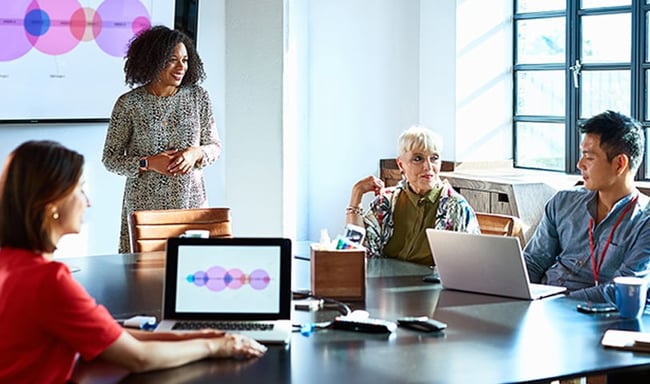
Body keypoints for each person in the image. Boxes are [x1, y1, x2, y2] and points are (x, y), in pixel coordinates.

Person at [0, 141, 266, 383]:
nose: (88, 202)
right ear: (51, 206)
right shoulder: (49, 281)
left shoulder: (9, 264)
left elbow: (110, 337)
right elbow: (138, 357)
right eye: (80, 190)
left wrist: (198, 336)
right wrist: (218, 346)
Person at [102, 25, 221, 253]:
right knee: (144, 281)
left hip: (190, 204)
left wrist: (195, 153)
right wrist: (147, 163)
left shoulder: (199, 97)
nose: (181, 67)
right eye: (172, 59)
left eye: (185, 60)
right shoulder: (129, 104)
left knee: (189, 274)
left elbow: (214, 147)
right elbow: (110, 159)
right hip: (145, 211)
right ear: (153, 60)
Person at [524, 110, 650, 303]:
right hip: (541, 308)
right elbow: (532, 263)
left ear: (619, 164)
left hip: (597, 317)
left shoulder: (644, 221)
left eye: (589, 157)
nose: (579, 164)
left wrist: (552, 303)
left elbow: (622, 290)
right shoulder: (563, 202)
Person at [345, 125, 480, 266]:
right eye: (418, 158)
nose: (428, 167)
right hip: (384, 285)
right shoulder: (387, 202)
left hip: (433, 287)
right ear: (401, 165)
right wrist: (356, 195)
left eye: (434, 158)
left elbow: (472, 267)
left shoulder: (457, 208)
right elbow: (354, 250)